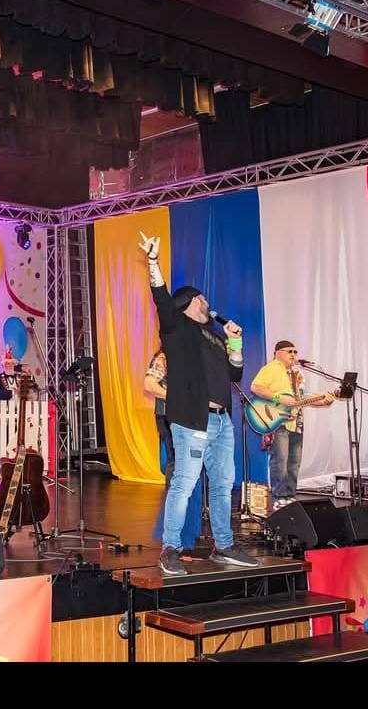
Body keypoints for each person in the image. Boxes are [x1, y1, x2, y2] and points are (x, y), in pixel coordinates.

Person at [139, 230, 258, 574]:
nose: (208, 303)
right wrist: (152, 261)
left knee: (222, 485)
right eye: (203, 299)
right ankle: (170, 548)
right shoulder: (177, 330)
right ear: (191, 303)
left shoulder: (216, 337)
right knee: (184, 484)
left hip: (222, 421)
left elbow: (234, 375)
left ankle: (224, 546)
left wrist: (235, 345)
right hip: (192, 420)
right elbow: (162, 299)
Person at [250, 340, 334, 511]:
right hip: (277, 421)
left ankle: (289, 496)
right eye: (289, 351)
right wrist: (278, 398)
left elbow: (303, 397)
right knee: (280, 460)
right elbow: (256, 387)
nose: (294, 355)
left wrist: (324, 400)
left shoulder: (296, 374)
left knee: (294, 462)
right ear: (277, 353)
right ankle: (279, 497)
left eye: (295, 352)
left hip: (296, 422)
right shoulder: (271, 369)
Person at [144, 347, 203, 554]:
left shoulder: (189, 355)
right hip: (169, 415)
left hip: (188, 417)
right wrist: (176, 398)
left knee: (190, 469)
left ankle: (187, 528)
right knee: (177, 466)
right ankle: (173, 530)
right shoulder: (164, 356)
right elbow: (149, 384)